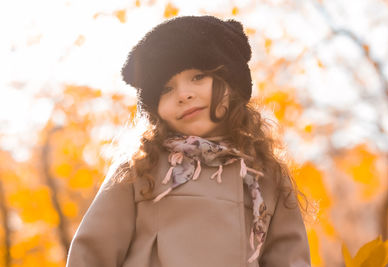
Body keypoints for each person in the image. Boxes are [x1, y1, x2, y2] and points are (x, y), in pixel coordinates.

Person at [66, 15, 311, 267]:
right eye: (166, 89)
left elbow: (290, 259)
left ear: (232, 82)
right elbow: (90, 255)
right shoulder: (140, 169)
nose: (183, 95)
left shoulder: (266, 175)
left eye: (198, 77)